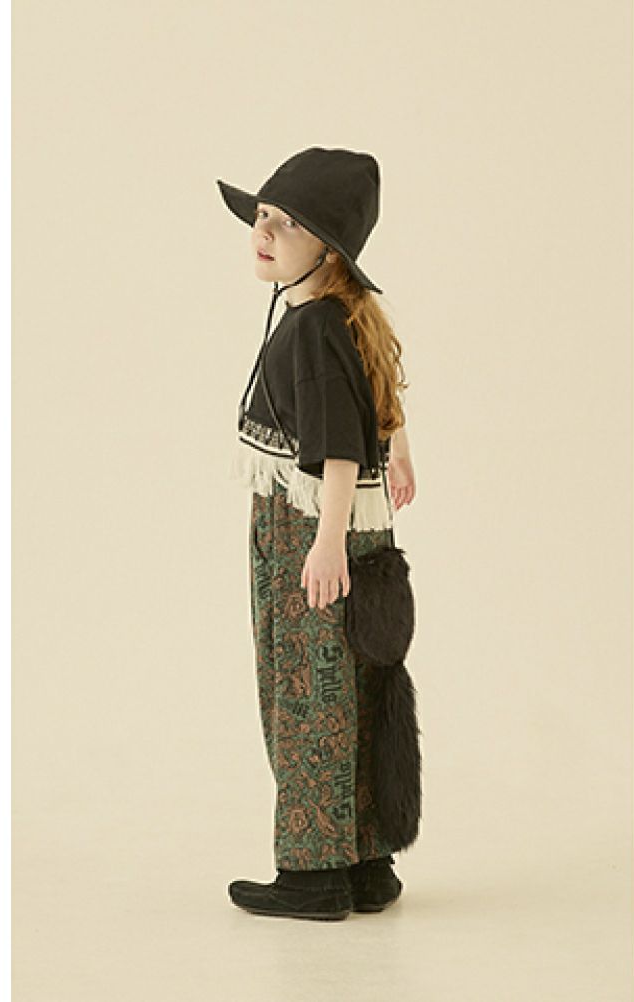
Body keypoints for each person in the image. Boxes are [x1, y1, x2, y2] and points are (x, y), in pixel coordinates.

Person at [218, 147, 418, 921]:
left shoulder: (312, 330)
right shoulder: (343, 317)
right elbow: (376, 399)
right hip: (349, 528)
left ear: (328, 248)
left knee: (306, 694)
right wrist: (399, 449)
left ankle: (312, 874)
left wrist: (326, 541)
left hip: (309, 530)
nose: (263, 233)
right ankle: (366, 864)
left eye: (286, 224)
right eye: (262, 216)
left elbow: (335, 447)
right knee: (355, 689)